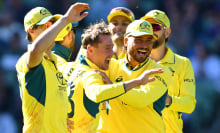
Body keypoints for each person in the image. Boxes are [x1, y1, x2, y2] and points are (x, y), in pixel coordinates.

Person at [66, 20, 164, 133]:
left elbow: (141, 99)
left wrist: (57, 117)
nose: (111, 53)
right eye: (107, 48)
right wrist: (136, 82)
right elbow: (97, 93)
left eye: (148, 40)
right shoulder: (97, 71)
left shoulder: (70, 68)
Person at [15, 3, 89, 132]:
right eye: (47, 26)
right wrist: (65, 19)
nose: (53, 29)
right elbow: (36, 50)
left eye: (53, 25)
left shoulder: (55, 62)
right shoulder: (27, 58)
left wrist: (59, 119)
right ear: (31, 31)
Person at [97, 20, 172, 133]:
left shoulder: (161, 71)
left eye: (148, 40)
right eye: (138, 40)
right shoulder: (109, 66)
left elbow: (141, 99)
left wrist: (111, 88)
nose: (144, 45)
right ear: (126, 41)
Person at [140, 9, 196, 133]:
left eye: (155, 27)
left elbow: (190, 104)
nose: (151, 31)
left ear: (167, 33)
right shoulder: (134, 61)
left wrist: (167, 100)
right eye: (147, 27)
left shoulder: (183, 63)